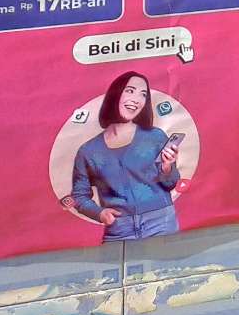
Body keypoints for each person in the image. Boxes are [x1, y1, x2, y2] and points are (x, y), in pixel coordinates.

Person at [67, 72, 183, 241]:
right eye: (130, 91)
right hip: (119, 230)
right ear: (115, 94)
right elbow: (79, 196)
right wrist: (99, 213)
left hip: (161, 223)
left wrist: (167, 167)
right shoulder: (88, 151)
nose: (137, 99)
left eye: (143, 94)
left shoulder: (155, 137)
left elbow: (170, 183)